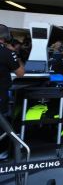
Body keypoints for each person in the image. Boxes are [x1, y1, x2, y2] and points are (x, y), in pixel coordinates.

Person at [0, 24, 25, 160]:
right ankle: (2, 152)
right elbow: (20, 73)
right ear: (5, 37)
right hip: (1, 95)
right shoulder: (7, 52)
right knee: (2, 123)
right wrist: (15, 55)